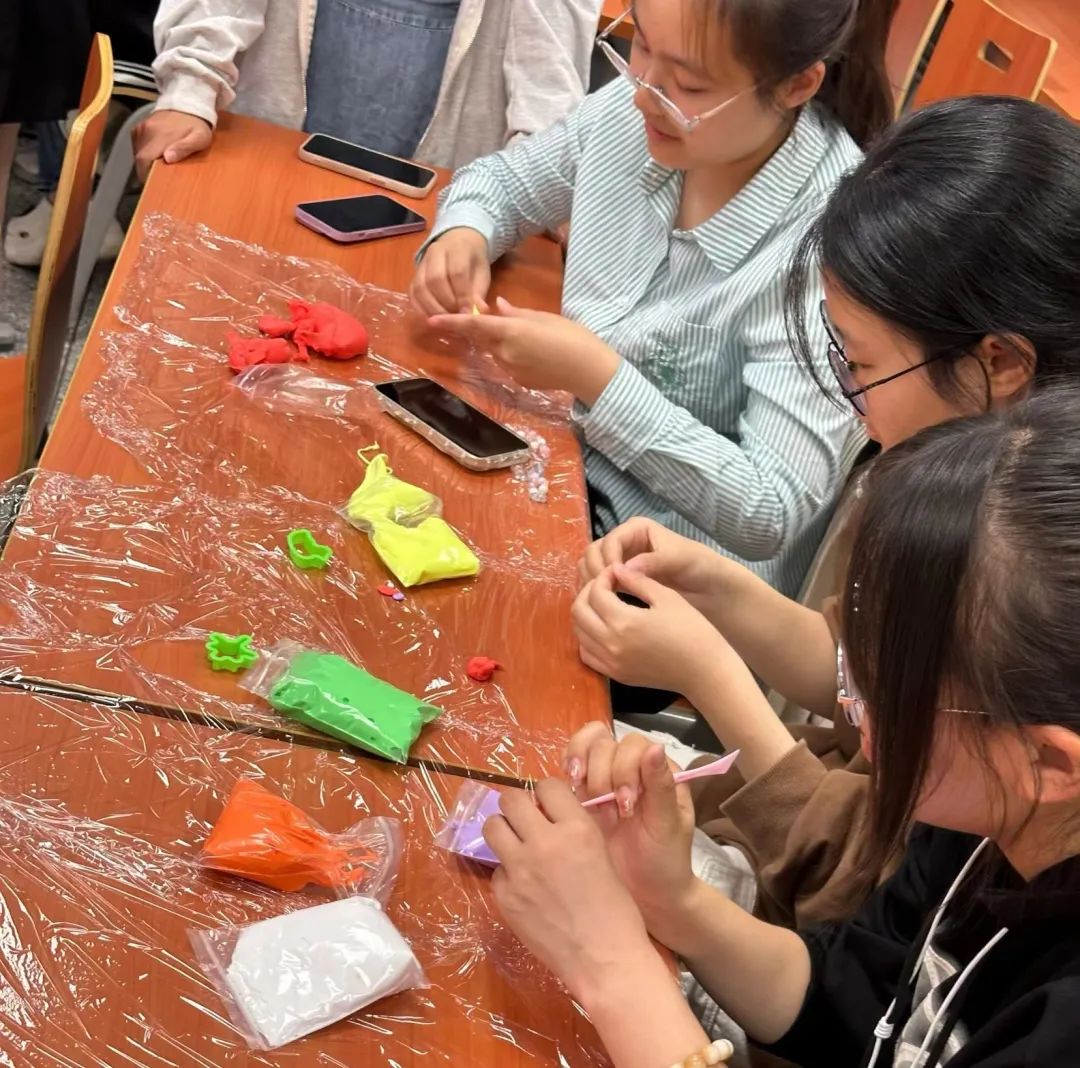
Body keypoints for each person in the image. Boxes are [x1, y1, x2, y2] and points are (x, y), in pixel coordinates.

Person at [573, 95, 1080, 930]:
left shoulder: (1018, 565)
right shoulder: (946, 477)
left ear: (998, 364)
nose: (851, 401)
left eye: (863, 365)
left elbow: (864, 886)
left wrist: (713, 676)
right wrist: (721, 592)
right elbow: (857, 672)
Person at [484, 386, 1080, 1068]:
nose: (849, 708)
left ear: (1051, 763)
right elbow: (855, 999)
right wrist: (670, 899)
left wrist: (612, 966)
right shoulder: (990, 818)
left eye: (879, 696)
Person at [413, 0, 898, 623]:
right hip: (550, 472)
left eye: (689, 85)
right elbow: (506, 182)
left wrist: (596, 377)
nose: (644, 93)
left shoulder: (827, 249)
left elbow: (769, 510)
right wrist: (466, 233)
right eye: (638, 46)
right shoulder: (636, 109)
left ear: (797, 84)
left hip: (661, 597)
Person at [133, 0, 602, 178]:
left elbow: (550, 67)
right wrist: (190, 90)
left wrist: (540, 175)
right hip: (268, 140)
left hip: (443, 180)